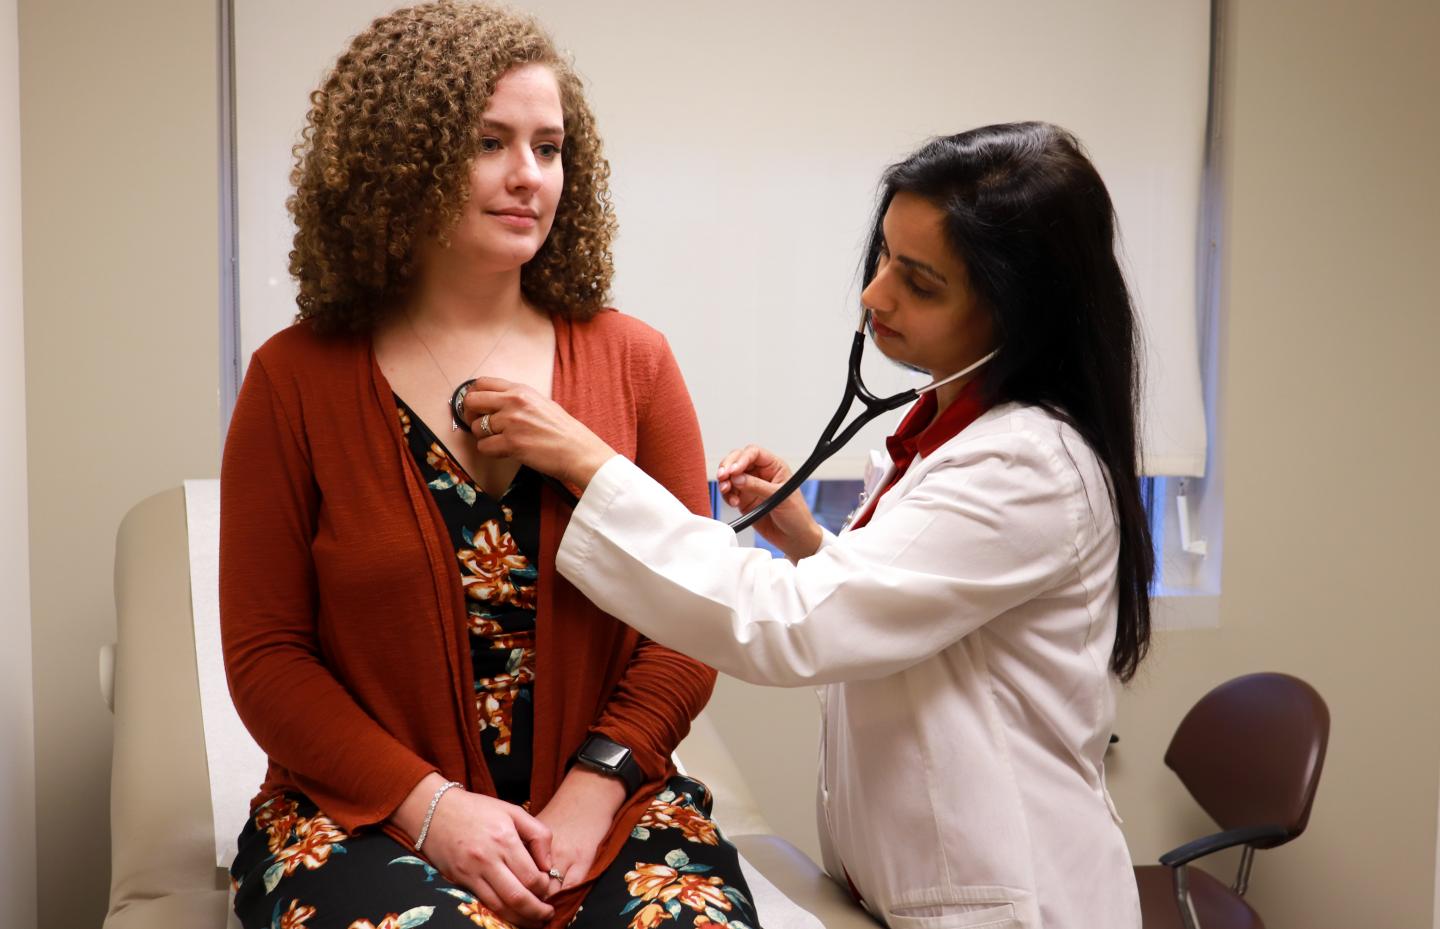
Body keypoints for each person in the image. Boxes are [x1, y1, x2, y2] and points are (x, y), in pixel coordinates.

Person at [460, 122, 1155, 929]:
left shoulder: (1029, 466)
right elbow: (915, 616)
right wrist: (814, 543)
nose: (875, 295)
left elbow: (791, 624)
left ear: (1020, 315)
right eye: (884, 257)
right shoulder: (954, 431)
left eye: (921, 283)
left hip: (1018, 901)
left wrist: (590, 462)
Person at [219, 5, 763, 929]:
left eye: (549, 148)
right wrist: (435, 811)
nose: (529, 178)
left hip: (609, 808)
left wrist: (593, 790)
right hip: (368, 819)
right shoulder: (292, 380)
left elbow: (688, 620)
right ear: (402, 160)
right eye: (490, 142)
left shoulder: (635, 364)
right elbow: (267, 659)